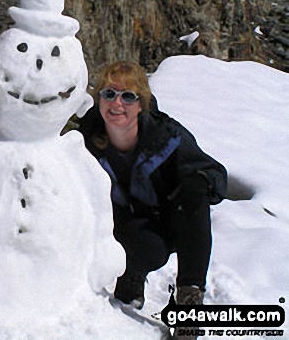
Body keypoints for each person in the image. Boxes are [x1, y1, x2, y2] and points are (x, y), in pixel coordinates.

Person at [78, 61, 227, 309]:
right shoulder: (84, 136)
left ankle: (189, 299)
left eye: (128, 96)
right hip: (118, 228)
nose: (117, 103)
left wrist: (195, 183)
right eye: (109, 94)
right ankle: (130, 276)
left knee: (194, 190)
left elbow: (214, 174)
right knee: (139, 245)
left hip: (165, 224)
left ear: (141, 104)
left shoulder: (164, 136)